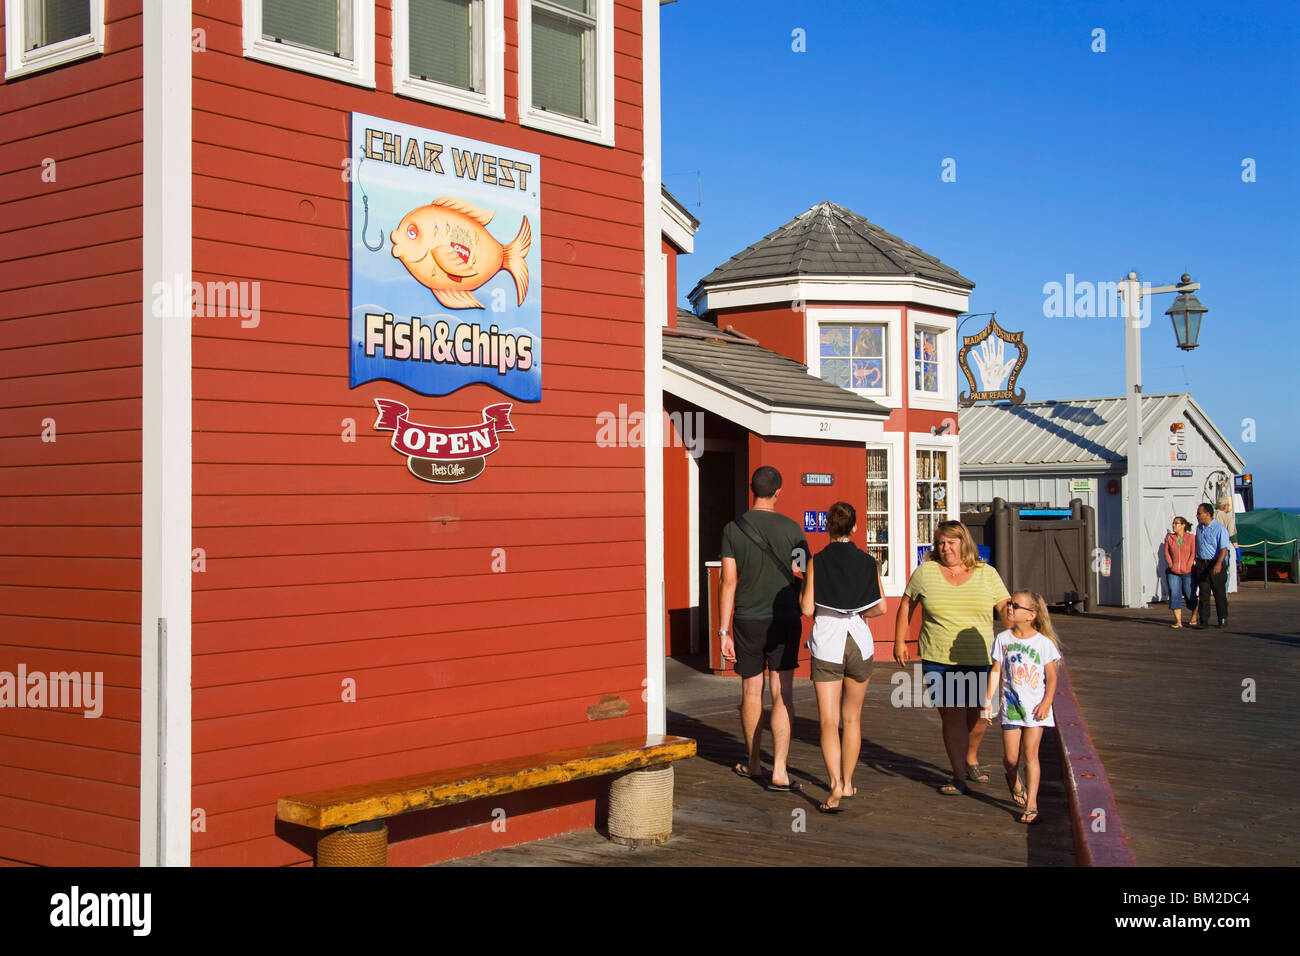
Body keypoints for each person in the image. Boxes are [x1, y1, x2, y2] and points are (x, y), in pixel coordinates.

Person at [894, 520, 1011, 795]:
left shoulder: (987, 573)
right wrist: (900, 641)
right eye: (941, 543)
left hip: (980, 654)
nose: (945, 548)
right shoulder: (926, 572)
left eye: (951, 543)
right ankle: (958, 775)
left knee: (981, 715)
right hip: (938, 655)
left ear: (964, 543)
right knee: (953, 714)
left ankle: (970, 756)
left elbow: (1005, 607)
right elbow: (906, 604)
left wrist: (1018, 637)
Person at [719, 466, 810, 791]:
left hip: (746, 619)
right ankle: (781, 770)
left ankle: (755, 761)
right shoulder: (792, 528)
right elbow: (802, 573)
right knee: (782, 692)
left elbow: (728, 581)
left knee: (751, 691)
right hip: (785, 617)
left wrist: (722, 631)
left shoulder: (733, 528)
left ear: (751, 489)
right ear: (778, 491)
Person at [800, 502, 886, 813]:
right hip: (859, 639)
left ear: (827, 528)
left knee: (828, 720)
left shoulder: (817, 560)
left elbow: (808, 608)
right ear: (854, 528)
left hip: (828, 639)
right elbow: (880, 608)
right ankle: (848, 783)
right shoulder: (868, 561)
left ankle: (833, 782)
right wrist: (858, 610)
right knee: (852, 718)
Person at [981, 591, 1062, 825]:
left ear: (1031, 615)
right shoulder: (1003, 639)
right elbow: (996, 671)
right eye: (1009, 604)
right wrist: (988, 701)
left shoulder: (1043, 643)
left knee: (1030, 755)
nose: (1009, 608)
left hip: (1036, 708)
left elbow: (1052, 677)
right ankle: (1013, 778)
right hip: (1011, 706)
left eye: (1015, 606)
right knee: (1010, 758)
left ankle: (1032, 804)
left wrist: (1047, 702)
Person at [1191, 502, 1232, 629]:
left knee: (1219, 592)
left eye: (1199, 513)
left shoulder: (1219, 528)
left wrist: (1219, 563)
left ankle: (1222, 618)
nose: (1197, 515)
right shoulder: (1199, 528)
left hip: (1215, 562)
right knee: (1203, 592)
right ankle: (1203, 620)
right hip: (1202, 563)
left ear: (1207, 514)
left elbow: (1224, 548)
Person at [1164, 517, 1197, 628]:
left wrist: (1189, 565)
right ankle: (1178, 621)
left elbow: (1193, 553)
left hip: (1188, 571)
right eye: (1173, 523)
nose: (1174, 525)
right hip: (1173, 571)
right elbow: (1167, 553)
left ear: (1183, 525)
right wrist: (1170, 564)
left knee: (1189, 594)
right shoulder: (1169, 538)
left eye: (1177, 523)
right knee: (1175, 593)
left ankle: (1194, 614)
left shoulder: (1191, 538)